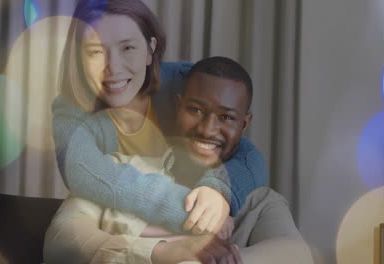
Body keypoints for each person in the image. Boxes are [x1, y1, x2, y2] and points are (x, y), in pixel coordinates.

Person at [44, 57, 314, 264]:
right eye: (195, 110)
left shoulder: (261, 201)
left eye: (226, 117)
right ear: (178, 106)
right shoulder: (119, 169)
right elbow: (61, 241)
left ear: (245, 125)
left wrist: (211, 260)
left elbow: (296, 254)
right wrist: (162, 252)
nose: (208, 129)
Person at [51, 0, 267, 236]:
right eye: (96, 51)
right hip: (133, 227)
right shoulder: (70, 109)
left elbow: (249, 156)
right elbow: (82, 172)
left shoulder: (183, 82)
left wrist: (219, 191)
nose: (112, 67)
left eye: (127, 48)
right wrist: (190, 212)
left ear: (150, 50)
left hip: (202, 210)